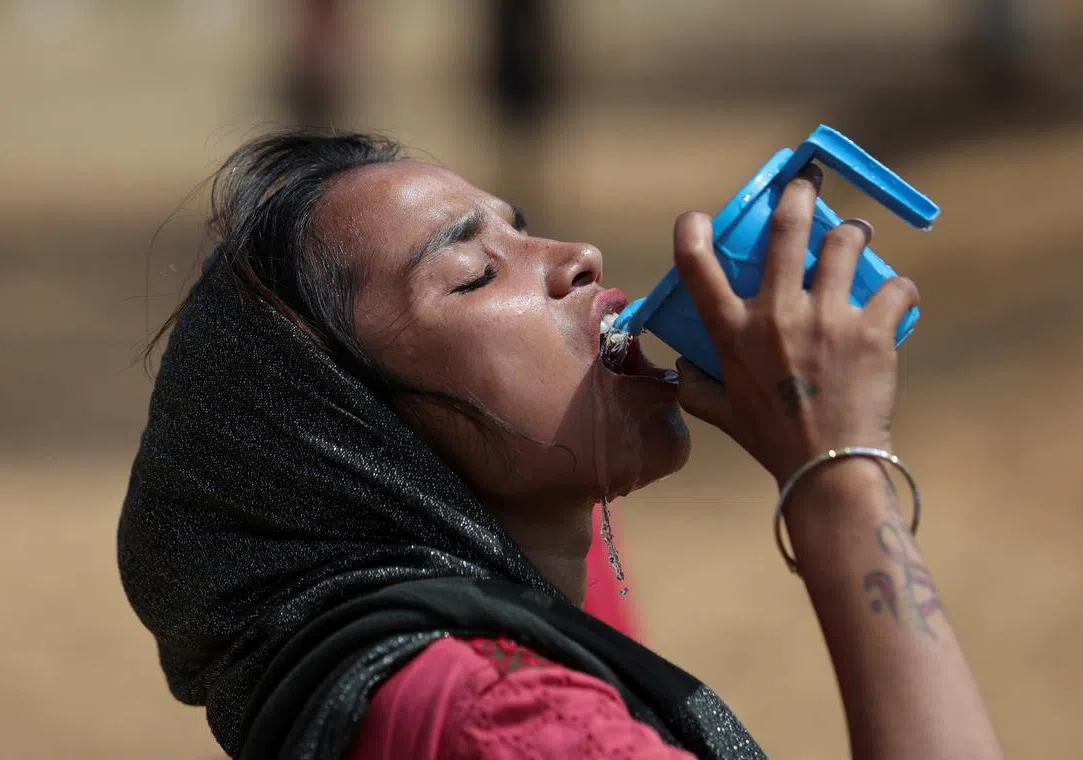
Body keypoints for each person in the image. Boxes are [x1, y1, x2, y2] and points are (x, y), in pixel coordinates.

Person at [119, 131, 1004, 760]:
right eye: (471, 272)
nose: (578, 255)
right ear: (353, 439)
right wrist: (838, 480)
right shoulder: (502, 722)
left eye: (519, 226)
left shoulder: (519, 618)